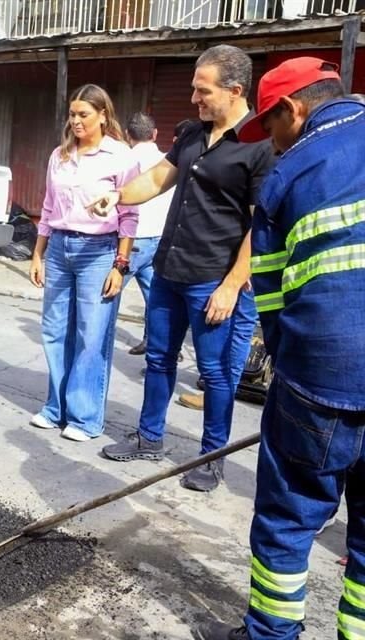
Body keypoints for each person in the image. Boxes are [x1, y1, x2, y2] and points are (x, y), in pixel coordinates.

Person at [204, 57, 365, 640]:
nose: (270, 142)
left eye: (270, 127)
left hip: (323, 378)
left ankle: (270, 635)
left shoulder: (292, 173)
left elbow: (269, 297)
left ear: (292, 110)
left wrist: (288, 382)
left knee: (289, 520)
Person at [94, 44, 274, 491]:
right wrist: (116, 196)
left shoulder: (258, 145)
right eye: (194, 89)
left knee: (215, 373)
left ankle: (212, 458)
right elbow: (157, 178)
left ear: (235, 90)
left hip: (213, 278)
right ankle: (149, 437)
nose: (194, 98)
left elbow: (260, 222)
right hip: (170, 268)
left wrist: (233, 284)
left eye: (202, 90)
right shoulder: (193, 132)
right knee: (158, 359)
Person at [27, 84, 140, 442]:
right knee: (55, 330)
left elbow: (130, 214)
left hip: (99, 251)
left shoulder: (120, 156)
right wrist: (38, 253)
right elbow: (47, 206)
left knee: (91, 336)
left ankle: (85, 418)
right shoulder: (59, 156)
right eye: (72, 114)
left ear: (103, 116)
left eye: (84, 115)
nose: (75, 121)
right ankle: (55, 408)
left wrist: (120, 264)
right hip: (60, 249)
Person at [123, 113, 175, 356]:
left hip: (133, 241)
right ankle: (156, 344)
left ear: (127, 135)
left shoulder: (123, 160)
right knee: (156, 298)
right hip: (162, 239)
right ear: (154, 134)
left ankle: (93, 345)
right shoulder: (168, 161)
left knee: (106, 295)